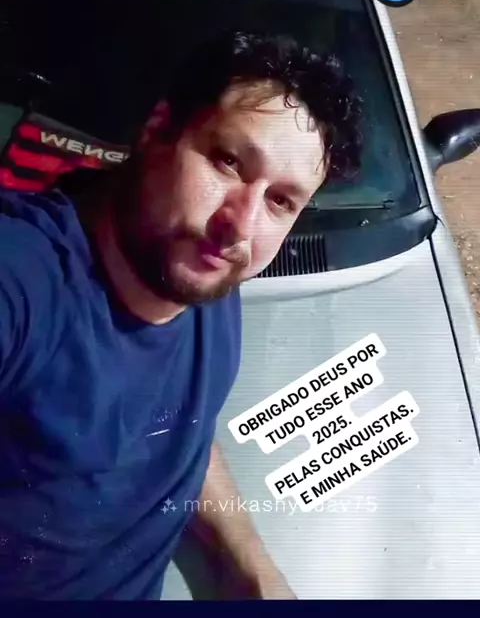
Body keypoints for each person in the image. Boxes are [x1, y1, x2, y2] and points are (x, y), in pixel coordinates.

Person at [0, 30, 363, 600]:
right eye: (228, 162)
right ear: (158, 130)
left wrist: (253, 571)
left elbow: (177, 431)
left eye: (280, 200)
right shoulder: (26, 280)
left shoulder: (205, 280)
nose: (240, 226)